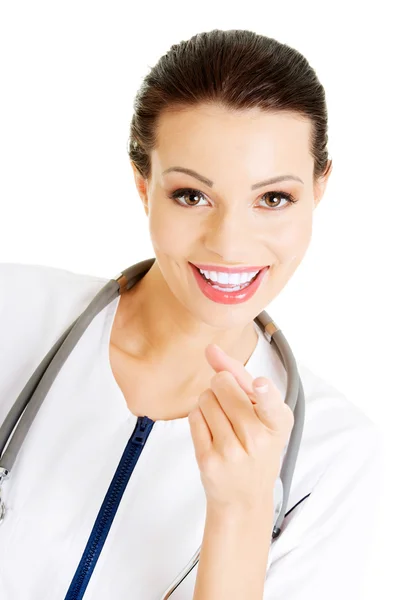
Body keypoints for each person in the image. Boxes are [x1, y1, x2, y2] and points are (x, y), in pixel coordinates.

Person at [0, 29, 384, 600]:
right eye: (191, 195)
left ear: (319, 190)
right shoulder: (13, 314)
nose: (229, 245)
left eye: (273, 199)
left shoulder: (337, 458)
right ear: (143, 185)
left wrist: (244, 510)